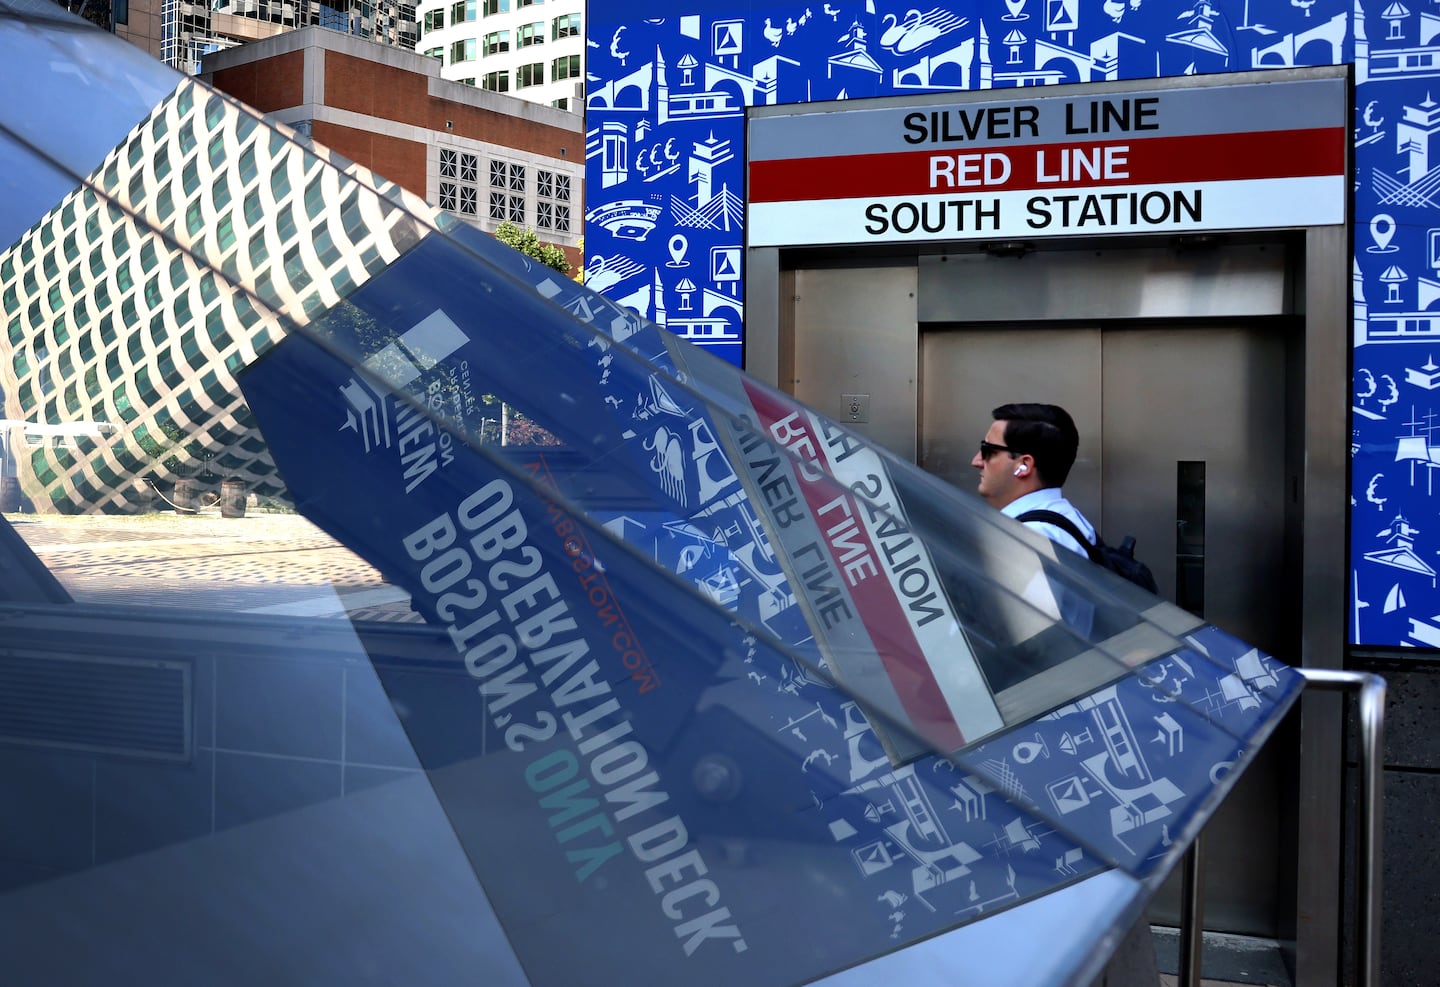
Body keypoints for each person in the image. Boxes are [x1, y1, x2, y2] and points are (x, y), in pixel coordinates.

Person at [971, 402, 1096, 557]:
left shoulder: (1030, 537)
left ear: (1024, 465)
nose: (976, 461)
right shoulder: (1065, 518)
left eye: (988, 450)